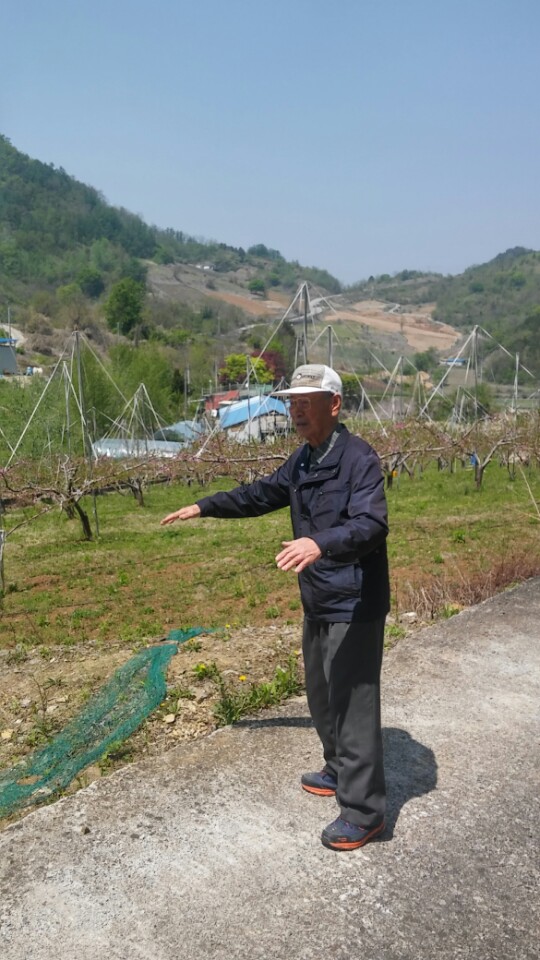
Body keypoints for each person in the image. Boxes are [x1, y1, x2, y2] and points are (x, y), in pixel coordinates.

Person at [161, 364, 390, 851]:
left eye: (306, 399)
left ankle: (365, 810)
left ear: (334, 404)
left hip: (354, 599)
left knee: (354, 703)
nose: (296, 409)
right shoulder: (303, 459)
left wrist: (319, 543)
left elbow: (371, 525)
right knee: (323, 693)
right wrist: (204, 505)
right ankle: (338, 768)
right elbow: (259, 493)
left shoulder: (358, 459)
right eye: (291, 401)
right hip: (319, 596)